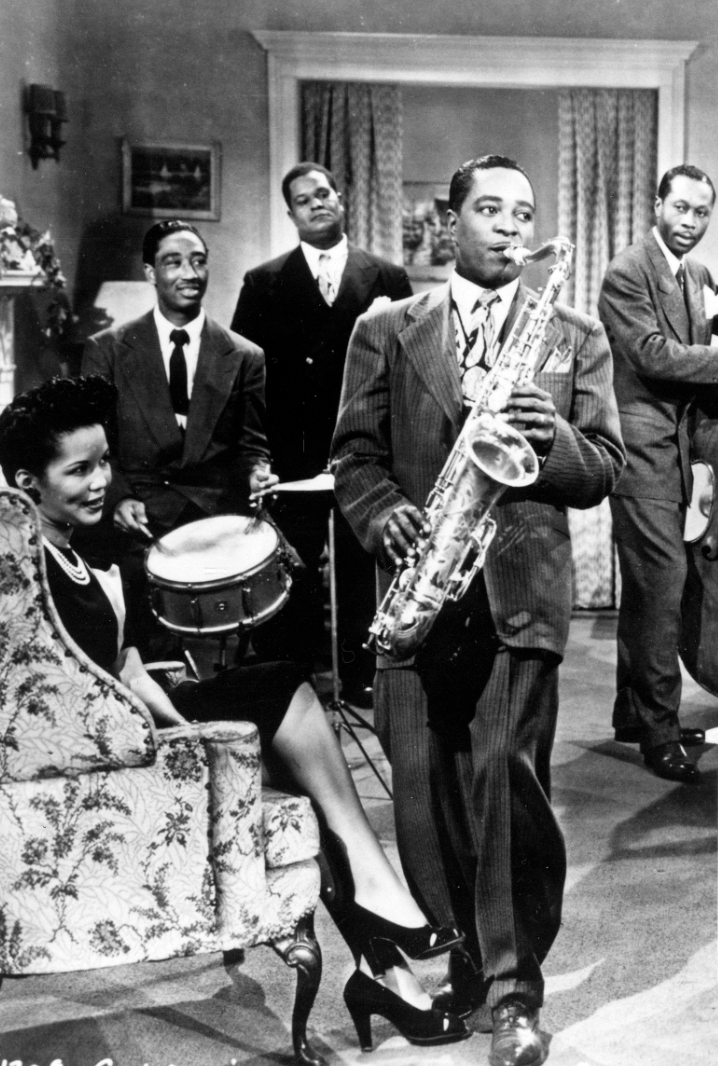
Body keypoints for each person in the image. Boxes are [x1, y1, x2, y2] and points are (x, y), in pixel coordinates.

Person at [0, 375, 468, 1050]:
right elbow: (62, 703)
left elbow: (128, 667)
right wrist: (187, 741)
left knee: (290, 754)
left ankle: (389, 970)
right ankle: (384, 932)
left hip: (137, 731)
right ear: (26, 482)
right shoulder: (23, 576)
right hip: (111, 759)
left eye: (104, 462)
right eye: (79, 470)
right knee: (280, 692)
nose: (101, 481)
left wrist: (188, 731)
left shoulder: (80, 548)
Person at [331, 154, 623, 1066]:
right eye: (489, 209)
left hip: (517, 595)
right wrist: (383, 514)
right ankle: (463, 956)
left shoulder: (573, 335)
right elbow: (352, 457)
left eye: (521, 213)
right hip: (420, 588)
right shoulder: (386, 328)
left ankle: (511, 995)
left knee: (504, 785)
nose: (508, 226)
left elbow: (604, 467)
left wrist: (553, 436)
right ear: (449, 220)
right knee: (423, 801)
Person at [597, 163, 718, 783]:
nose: (690, 221)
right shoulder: (628, 271)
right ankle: (659, 735)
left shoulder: (696, 274)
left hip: (677, 450)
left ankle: (635, 715)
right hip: (639, 451)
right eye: (680, 208)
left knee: (651, 590)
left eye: (701, 212)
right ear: (657, 205)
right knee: (661, 584)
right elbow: (650, 355)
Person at [232, 163, 413, 694]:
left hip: (366, 449)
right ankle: (295, 682)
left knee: (363, 564)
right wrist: (259, 457)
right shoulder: (263, 282)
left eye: (323, 193)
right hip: (293, 455)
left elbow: (407, 370)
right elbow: (246, 379)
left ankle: (362, 677)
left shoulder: (388, 277)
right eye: (302, 200)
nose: (315, 204)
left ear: (340, 198)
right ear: (291, 214)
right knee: (294, 566)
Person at [83, 220, 277, 544]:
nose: (190, 273)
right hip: (140, 515)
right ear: (150, 273)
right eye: (174, 263)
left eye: (199, 261)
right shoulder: (107, 350)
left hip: (218, 516)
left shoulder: (246, 355)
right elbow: (94, 444)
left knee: (292, 571)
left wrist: (258, 475)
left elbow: (252, 447)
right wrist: (119, 499)